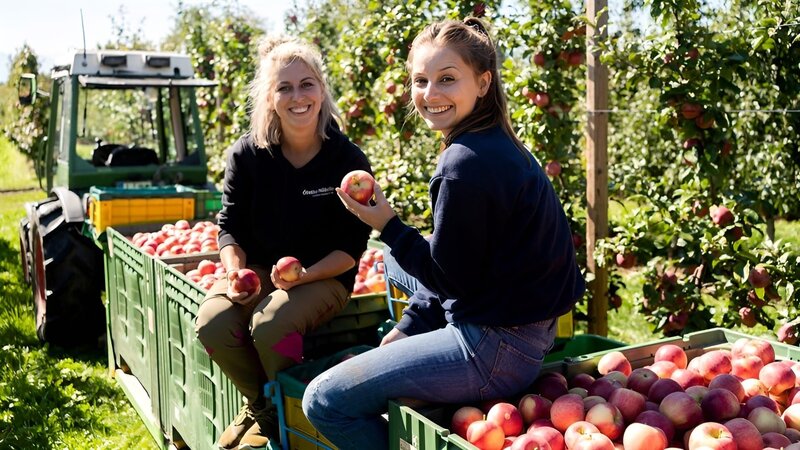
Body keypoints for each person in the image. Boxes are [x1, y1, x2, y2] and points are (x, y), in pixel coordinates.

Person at [301, 17, 586, 450]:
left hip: (494, 346)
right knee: (393, 259)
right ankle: (417, 334)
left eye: (447, 79)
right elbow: (457, 261)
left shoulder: (463, 165)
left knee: (323, 401)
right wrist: (411, 325)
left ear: (483, 82)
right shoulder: (497, 143)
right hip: (524, 326)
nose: (430, 94)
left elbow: (450, 278)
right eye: (420, 80)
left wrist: (386, 223)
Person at [195, 35, 373, 450]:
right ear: (269, 98)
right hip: (257, 270)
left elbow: (351, 249)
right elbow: (230, 225)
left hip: (324, 275)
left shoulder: (346, 161)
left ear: (322, 90)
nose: (298, 96)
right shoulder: (248, 155)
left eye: (306, 84)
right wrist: (235, 269)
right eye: (285, 87)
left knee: (272, 323)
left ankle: (289, 411)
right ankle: (266, 408)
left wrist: (305, 275)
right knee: (213, 322)